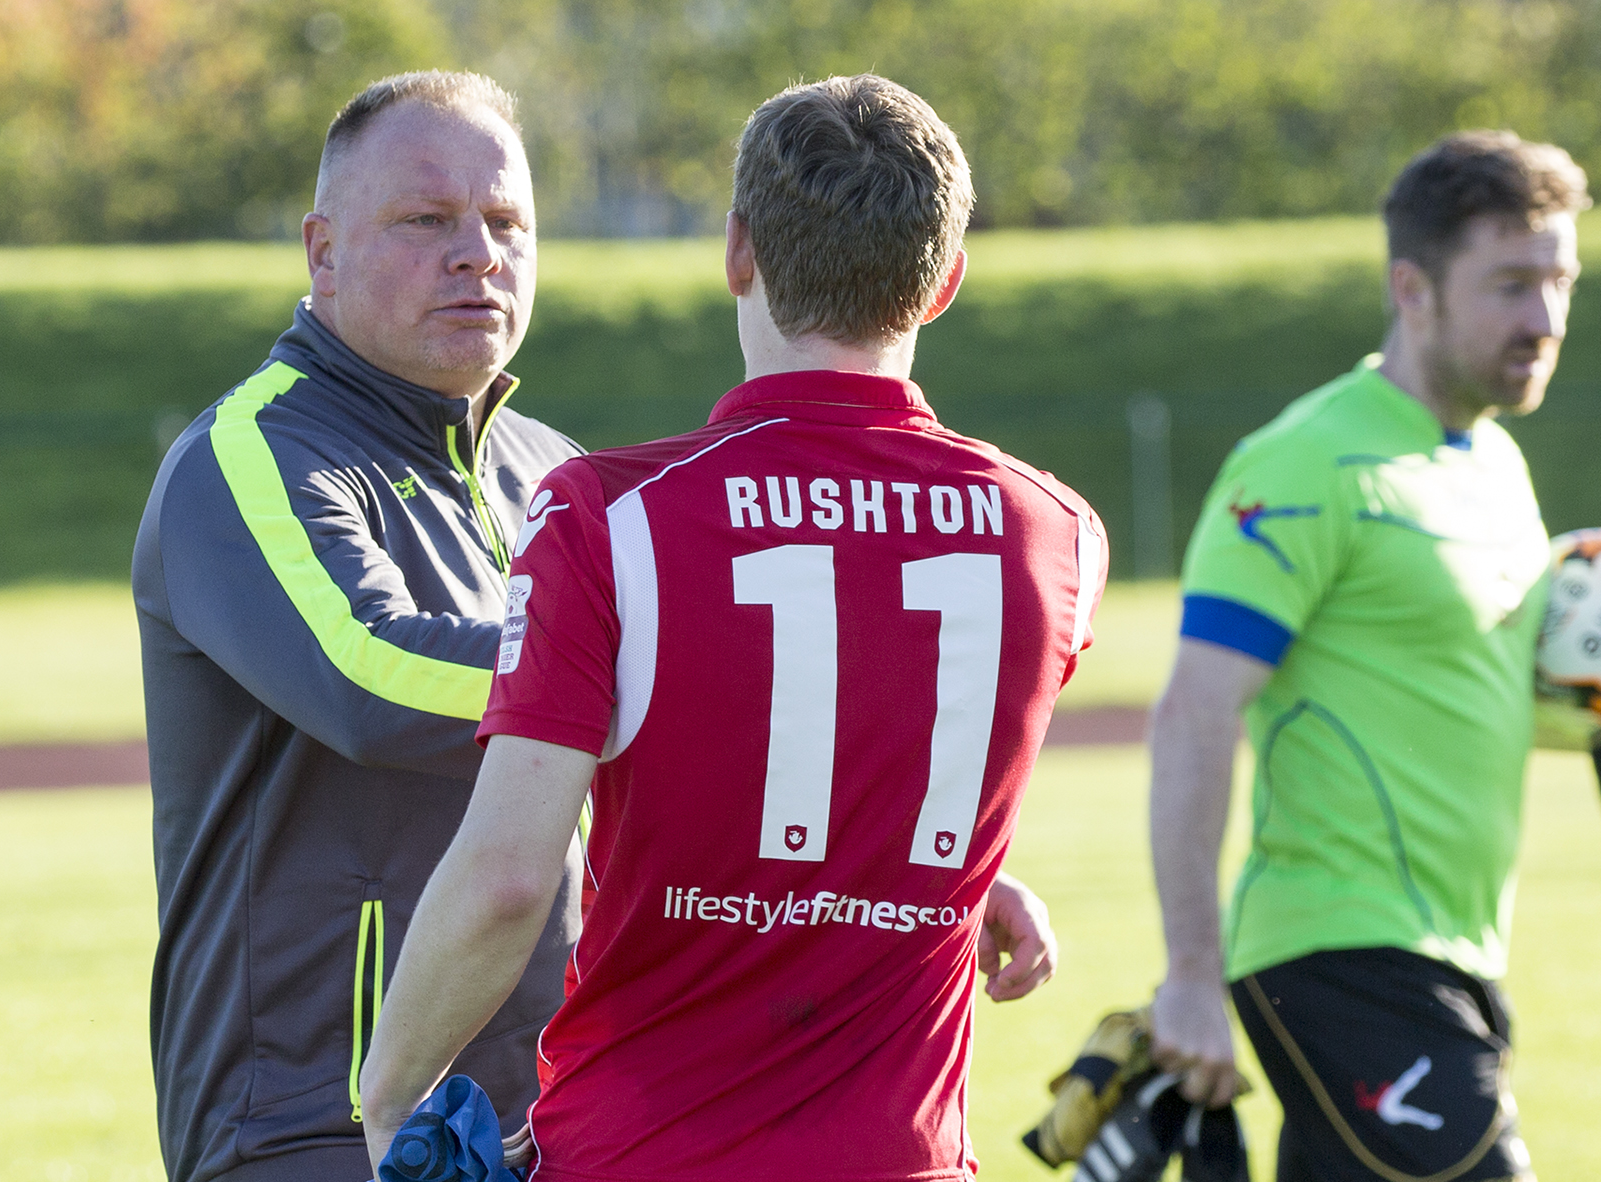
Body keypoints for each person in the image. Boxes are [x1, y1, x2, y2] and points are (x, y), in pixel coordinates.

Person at [360, 74, 1107, 1182]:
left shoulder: (604, 515)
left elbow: (510, 875)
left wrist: (385, 1095)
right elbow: (877, 725)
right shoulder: (1057, 531)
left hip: (643, 1148)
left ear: (737, 252)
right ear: (944, 281)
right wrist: (960, 877)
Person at [132, 71, 583, 1182]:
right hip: (317, 1124)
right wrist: (652, 681)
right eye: (427, 220)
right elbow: (371, 676)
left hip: (558, 1118)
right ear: (321, 251)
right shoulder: (252, 455)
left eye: (506, 221)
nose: (476, 252)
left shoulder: (562, 475)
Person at [1148, 130, 1587, 1182]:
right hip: (1338, 949)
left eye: (1560, 281)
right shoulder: (1307, 461)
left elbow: (1497, 691)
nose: (1545, 319)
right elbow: (1196, 712)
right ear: (1413, 288)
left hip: (1460, 955)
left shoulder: (1497, 467)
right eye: (1512, 285)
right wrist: (1191, 978)